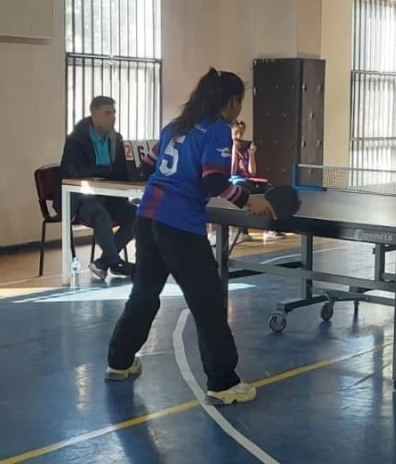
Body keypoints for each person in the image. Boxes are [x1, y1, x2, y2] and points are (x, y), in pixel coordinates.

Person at [105, 68, 276, 406]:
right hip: (180, 225)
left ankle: (119, 362)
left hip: (148, 218)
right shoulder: (217, 129)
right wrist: (249, 201)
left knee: (143, 294)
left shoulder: (175, 125)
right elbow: (213, 179)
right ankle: (223, 383)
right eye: (240, 101)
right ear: (232, 101)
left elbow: (147, 166)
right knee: (207, 302)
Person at [58, 95, 137, 280]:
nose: (113, 117)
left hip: (110, 197)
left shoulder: (116, 139)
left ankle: (104, 262)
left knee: (139, 216)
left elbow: (120, 169)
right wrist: (104, 171)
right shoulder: (76, 140)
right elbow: (71, 170)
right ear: (94, 116)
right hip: (82, 198)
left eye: (114, 113)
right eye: (107, 113)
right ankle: (115, 263)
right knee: (100, 216)